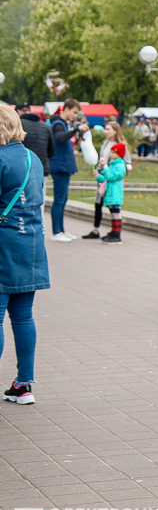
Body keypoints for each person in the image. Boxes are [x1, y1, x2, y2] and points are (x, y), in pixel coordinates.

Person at [0, 105, 48, 406]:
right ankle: (24, 384)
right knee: (23, 316)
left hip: (3, 243)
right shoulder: (32, 159)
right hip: (30, 243)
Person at [82, 122, 132, 240]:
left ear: (115, 131)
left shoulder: (120, 145)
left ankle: (115, 232)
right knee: (99, 203)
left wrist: (109, 170)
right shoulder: (105, 144)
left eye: (108, 129)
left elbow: (125, 162)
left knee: (113, 207)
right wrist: (99, 171)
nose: (106, 131)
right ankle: (96, 229)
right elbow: (102, 159)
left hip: (113, 180)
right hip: (103, 178)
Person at [49, 98, 88, 242]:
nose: (75, 115)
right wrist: (76, 129)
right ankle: (56, 232)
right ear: (66, 109)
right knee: (59, 200)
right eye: (74, 112)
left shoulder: (63, 123)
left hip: (63, 166)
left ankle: (61, 230)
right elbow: (60, 138)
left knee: (63, 199)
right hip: (60, 166)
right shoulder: (58, 124)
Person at [91, 142, 128, 244]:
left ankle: (117, 234)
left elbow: (111, 177)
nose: (111, 154)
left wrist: (105, 168)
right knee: (113, 214)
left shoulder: (120, 166)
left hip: (115, 194)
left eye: (113, 153)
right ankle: (113, 231)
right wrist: (98, 176)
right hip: (110, 194)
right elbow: (105, 178)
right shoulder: (113, 164)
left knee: (116, 215)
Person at [16, 103, 54, 177]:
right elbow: (51, 151)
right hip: (41, 167)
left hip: (22, 168)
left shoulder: (18, 126)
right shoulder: (46, 126)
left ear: (18, 111)